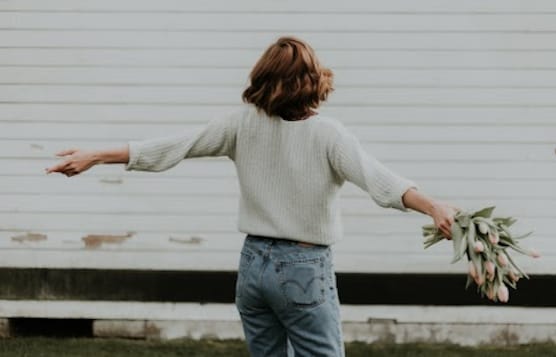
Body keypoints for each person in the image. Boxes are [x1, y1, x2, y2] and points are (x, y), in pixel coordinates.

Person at [46, 36, 457, 357]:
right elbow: (382, 183)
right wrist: (433, 205)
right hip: (302, 269)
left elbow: (173, 147)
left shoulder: (242, 124)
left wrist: (97, 155)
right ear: (313, 81)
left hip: (253, 267)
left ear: (263, 79)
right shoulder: (328, 135)